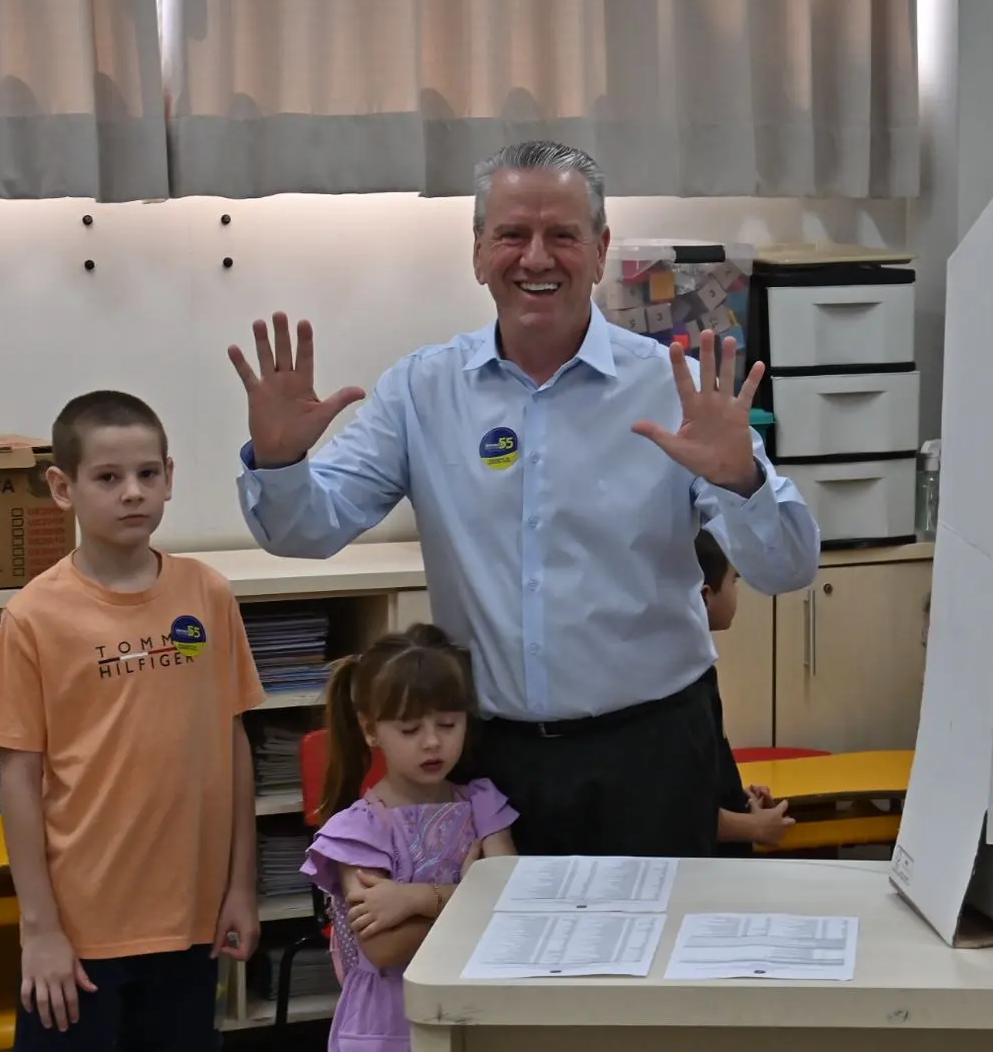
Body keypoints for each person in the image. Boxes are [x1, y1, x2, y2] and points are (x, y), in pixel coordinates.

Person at [228, 139, 821, 858]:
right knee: (502, 965)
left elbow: (787, 570)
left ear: (601, 251)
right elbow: (306, 530)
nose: (535, 258)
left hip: (656, 753)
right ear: (478, 251)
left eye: (562, 235)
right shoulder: (423, 391)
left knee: (659, 960)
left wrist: (742, 482)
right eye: (512, 234)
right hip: (491, 765)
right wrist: (284, 461)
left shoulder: (676, 387)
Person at [0, 390, 263, 1050]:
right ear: (62, 487)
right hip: (79, 936)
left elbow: (233, 742)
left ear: (169, 478)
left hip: (191, 920)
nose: (133, 493)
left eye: (147, 475)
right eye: (108, 478)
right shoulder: (34, 616)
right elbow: (19, 777)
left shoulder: (207, 595)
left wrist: (242, 887)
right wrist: (39, 928)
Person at [302, 623, 517, 1051]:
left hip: (474, 1006)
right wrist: (471, 895)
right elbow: (384, 948)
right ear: (370, 730)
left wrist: (417, 899)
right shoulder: (358, 832)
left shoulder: (483, 802)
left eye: (448, 723)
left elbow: (510, 905)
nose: (432, 742)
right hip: (390, 1023)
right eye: (409, 729)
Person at [695, 529, 795, 855]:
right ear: (705, 595)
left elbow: (702, 774)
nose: (738, 591)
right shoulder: (678, 692)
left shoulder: (701, 672)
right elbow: (671, 806)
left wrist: (738, 798)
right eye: (735, 581)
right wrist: (756, 827)